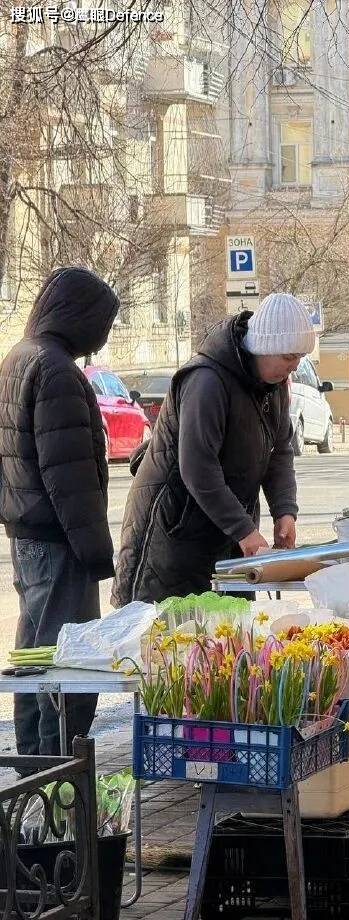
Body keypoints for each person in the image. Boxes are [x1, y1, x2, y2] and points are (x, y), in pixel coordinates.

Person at [112, 293, 315, 606]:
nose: (294, 366)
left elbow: (279, 453)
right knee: (173, 638)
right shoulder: (206, 381)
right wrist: (244, 530)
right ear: (265, 346)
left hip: (226, 532)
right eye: (289, 356)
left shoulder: (274, 387)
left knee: (233, 634)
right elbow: (198, 468)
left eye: (299, 357)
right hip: (175, 532)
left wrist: (284, 511)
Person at [0, 267, 119, 756]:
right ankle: (59, 772)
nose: (103, 338)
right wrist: (96, 554)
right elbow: (68, 478)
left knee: (35, 654)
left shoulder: (20, 358)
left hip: (28, 535)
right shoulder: (56, 371)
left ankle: (33, 765)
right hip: (59, 542)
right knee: (69, 663)